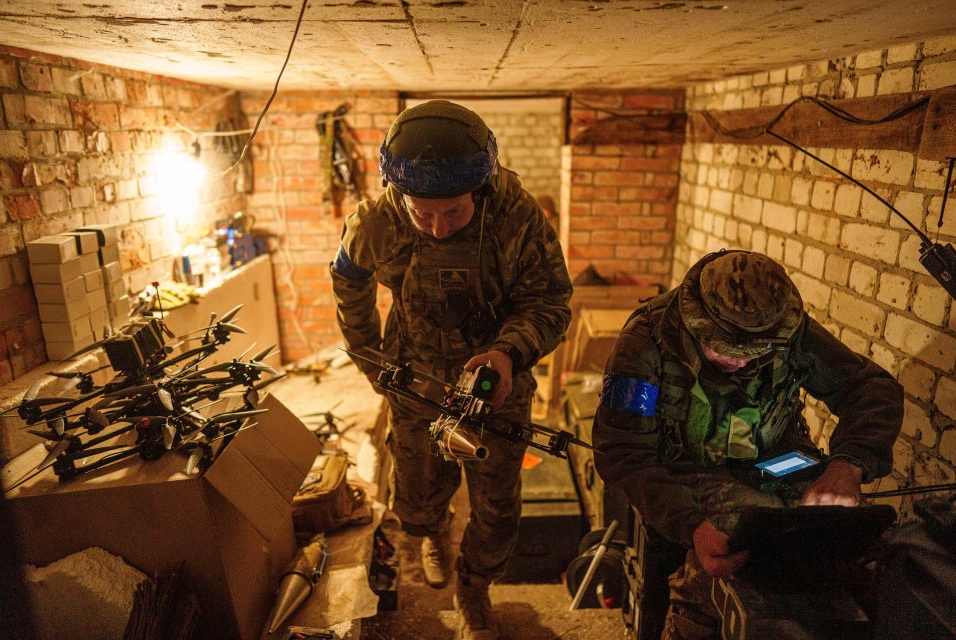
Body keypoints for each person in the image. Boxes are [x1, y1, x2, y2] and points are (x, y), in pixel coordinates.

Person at [330, 100, 572, 640]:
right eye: (424, 215)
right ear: (400, 196)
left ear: (479, 192)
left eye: (454, 214)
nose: (438, 229)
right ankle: (434, 530)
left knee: (497, 502)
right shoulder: (378, 221)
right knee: (415, 486)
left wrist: (509, 354)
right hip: (413, 376)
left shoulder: (517, 217)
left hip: (494, 385)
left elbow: (552, 302)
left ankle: (474, 587)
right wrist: (369, 356)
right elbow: (348, 281)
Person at [592, 250, 903, 640]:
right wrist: (691, 528)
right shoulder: (646, 343)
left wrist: (847, 465)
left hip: (778, 458)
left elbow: (872, 388)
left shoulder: (789, 330)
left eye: (755, 352)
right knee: (743, 543)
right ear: (696, 322)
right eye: (724, 349)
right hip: (685, 471)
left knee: (850, 536)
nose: (739, 363)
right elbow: (623, 452)